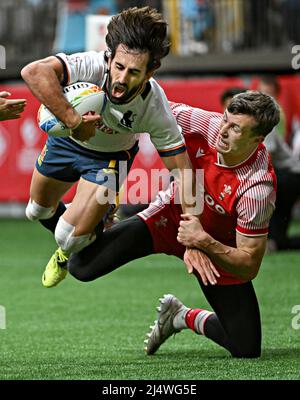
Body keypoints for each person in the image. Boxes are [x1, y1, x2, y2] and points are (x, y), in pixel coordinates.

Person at [68, 91, 280, 358]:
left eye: (235, 128)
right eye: (225, 119)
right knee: (81, 266)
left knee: (246, 348)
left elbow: (249, 265)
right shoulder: (203, 123)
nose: (222, 131)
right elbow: (146, 106)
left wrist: (202, 242)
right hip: (170, 217)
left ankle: (180, 316)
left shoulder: (257, 186)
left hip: (216, 245)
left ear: (258, 139)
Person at [21, 6, 192, 288]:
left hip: (108, 159)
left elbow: (182, 170)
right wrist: (74, 122)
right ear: (110, 57)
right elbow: (33, 72)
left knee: (68, 236)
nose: (122, 79)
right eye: (119, 66)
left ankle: (70, 247)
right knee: (37, 210)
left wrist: (192, 223)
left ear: (151, 71)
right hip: (66, 141)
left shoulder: (154, 107)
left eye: (134, 72)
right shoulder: (92, 65)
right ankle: (94, 218)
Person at [256, 76, 300, 250]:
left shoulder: (270, 117)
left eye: (268, 93)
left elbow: (268, 155)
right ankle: (273, 239)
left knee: (264, 184)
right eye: (261, 92)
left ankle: (270, 239)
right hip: (284, 173)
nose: (264, 97)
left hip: (287, 174)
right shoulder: (268, 114)